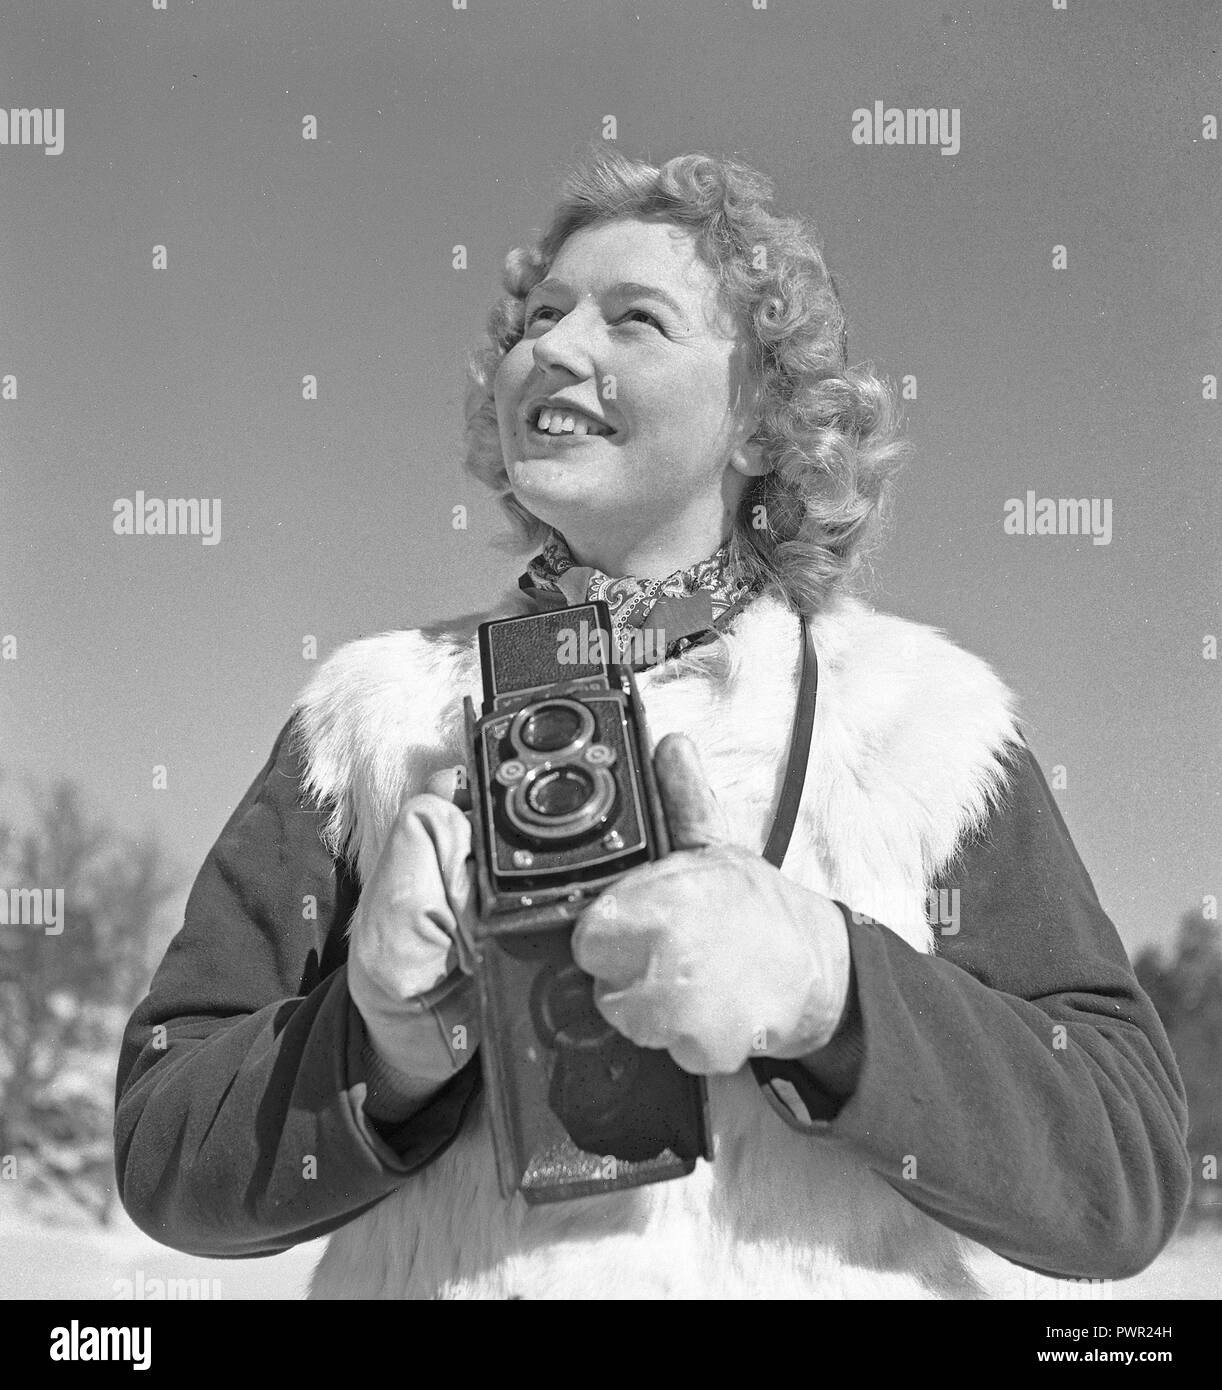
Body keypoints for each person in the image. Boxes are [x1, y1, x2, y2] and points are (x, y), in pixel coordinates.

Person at [113, 150, 1190, 1299]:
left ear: (761, 420)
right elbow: (164, 1145)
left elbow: (1121, 1172)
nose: (554, 348)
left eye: (635, 319)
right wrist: (372, 1051)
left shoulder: (925, 725)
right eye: (538, 317)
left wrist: (829, 985)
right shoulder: (366, 718)